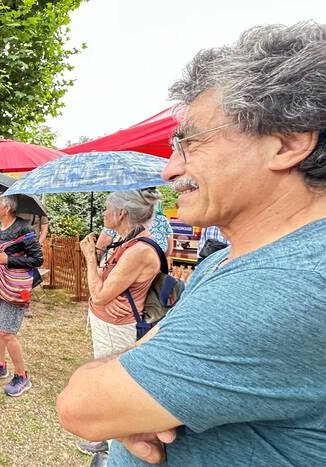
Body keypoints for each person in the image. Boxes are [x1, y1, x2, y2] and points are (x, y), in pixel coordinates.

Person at [56, 23, 326, 467]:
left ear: (288, 143)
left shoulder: (288, 285)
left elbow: (81, 406)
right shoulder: (224, 260)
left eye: (190, 142)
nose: (168, 171)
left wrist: (116, 389)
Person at [74, 190, 163, 460]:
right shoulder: (126, 243)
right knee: (106, 382)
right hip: (109, 324)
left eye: (106, 208)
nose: (103, 213)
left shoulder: (139, 250)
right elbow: (101, 287)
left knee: (113, 387)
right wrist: (100, 293)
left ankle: (116, 453)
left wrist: (90, 256)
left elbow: (100, 292)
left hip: (118, 329)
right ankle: (108, 440)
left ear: (121, 213)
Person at [0, 194, 43, 397]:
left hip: (13, 287)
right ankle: (0, 365)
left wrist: (10, 259)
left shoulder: (24, 228)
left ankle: (22, 376)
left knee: (7, 331)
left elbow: (37, 259)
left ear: (6, 208)